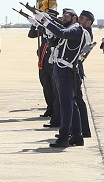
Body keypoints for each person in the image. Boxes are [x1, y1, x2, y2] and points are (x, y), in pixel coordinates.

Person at [38, 8, 95, 149]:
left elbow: (61, 33)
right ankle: (77, 136)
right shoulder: (74, 30)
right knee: (71, 104)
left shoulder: (77, 30)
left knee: (66, 105)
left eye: (81, 18)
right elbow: (56, 41)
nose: (79, 20)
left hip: (66, 70)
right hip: (61, 69)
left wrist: (45, 21)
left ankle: (64, 137)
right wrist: (47, 31)